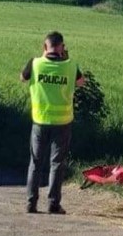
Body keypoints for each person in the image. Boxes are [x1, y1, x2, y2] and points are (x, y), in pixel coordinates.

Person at [20, 31, 84, 214]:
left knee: (35, 162)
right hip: (62, 122)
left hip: (40, 121)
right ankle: (53, 204)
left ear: (45, 46)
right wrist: (66, 60)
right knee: (57, 164)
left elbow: (22, 78)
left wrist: (42, 57)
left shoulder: (35, 63)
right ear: (62, 47)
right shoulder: (71, 66)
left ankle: (31, 203)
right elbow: (81, 83)